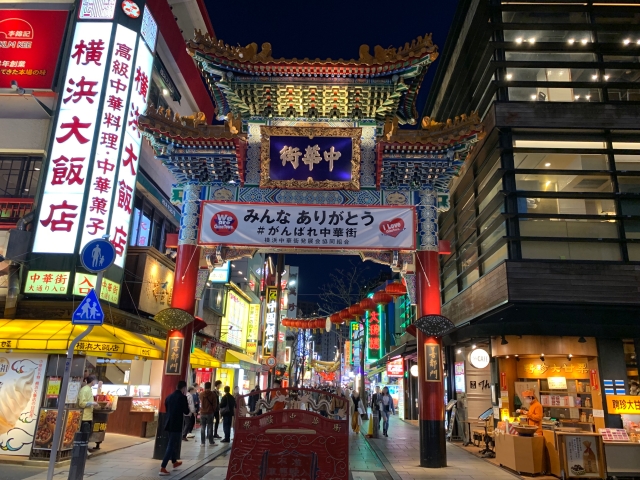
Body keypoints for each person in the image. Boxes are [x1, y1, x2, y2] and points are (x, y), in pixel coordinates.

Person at [159, 381, 188, 476]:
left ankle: (175, 462)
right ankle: (163, 467)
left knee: (172, 442)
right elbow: (186, 411)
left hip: (168, 423)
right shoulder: (182, 397)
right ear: (183, 388)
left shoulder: (169, 397)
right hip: (177, 423)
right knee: (171, 445)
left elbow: (167, 409)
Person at [198, 382, 217, 446]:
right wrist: (213, 410)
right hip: (210, 412)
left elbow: (200, 402)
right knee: (210, 427)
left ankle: (202, 443)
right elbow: (215, 404)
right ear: (210, 387)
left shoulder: (201, 394)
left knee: (203, 427)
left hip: (202, 412)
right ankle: (211, 442)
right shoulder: (212, 394)